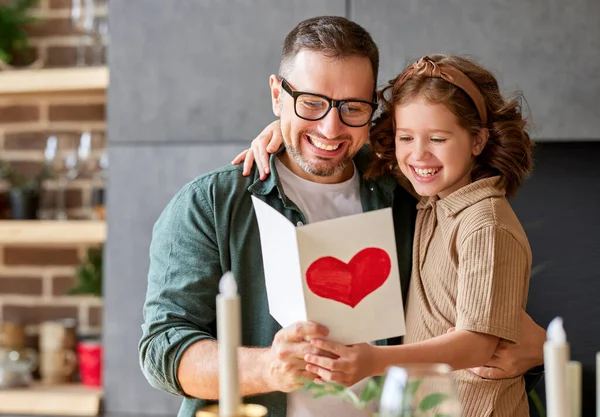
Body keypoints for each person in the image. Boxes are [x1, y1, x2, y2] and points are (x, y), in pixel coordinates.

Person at [140, 16, 419, 417]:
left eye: (352, 107)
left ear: (372, 105)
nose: (330, 126)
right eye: (310, 102)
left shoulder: (406, 197)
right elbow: (161, 350)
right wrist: (268, 367)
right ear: (277, 94)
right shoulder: (210, 204)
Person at [233, 54, 539, 416]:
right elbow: (343, 142)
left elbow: (477, 345)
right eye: (405, 137)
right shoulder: (429, 198)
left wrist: (374, 360)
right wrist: (284, 130)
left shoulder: (485, 225)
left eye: (438, 138)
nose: (419, 154)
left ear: (477, 141)